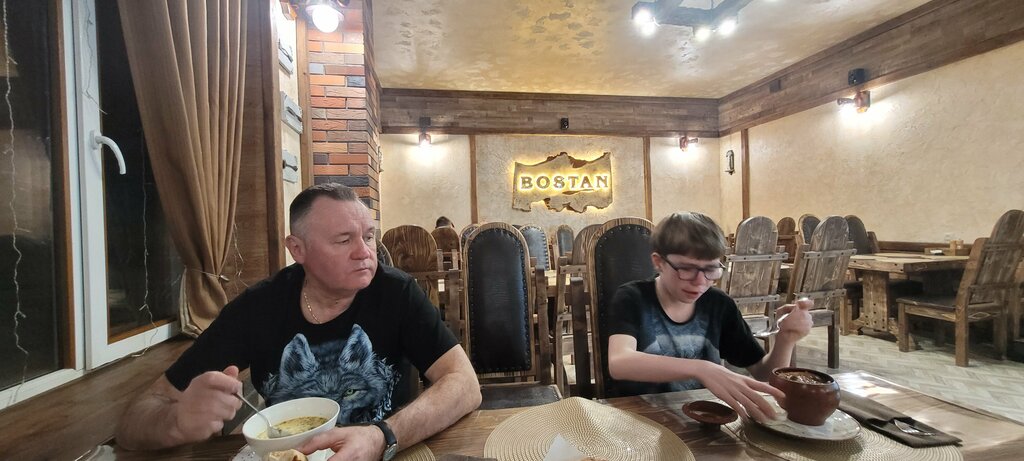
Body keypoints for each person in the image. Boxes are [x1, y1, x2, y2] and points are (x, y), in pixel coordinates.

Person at [115, 184, 481, 461]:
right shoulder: (257, 308)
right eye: (344, 240)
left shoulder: (395, 292)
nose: (365, 253)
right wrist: (177, 422)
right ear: (297, 249)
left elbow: (465, 384)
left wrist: (381, 436)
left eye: (369, 236)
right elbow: (133, 423)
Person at [606, 212, 812, 422]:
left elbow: (764, 374)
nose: (700, 281)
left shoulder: (719, 305)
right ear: (659, 262)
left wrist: (786, 338)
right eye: (686, 269)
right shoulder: (632, 298)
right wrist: (701, 369)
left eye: (711, 269)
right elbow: (620, 363)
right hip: (639, 419)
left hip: (703, 419)